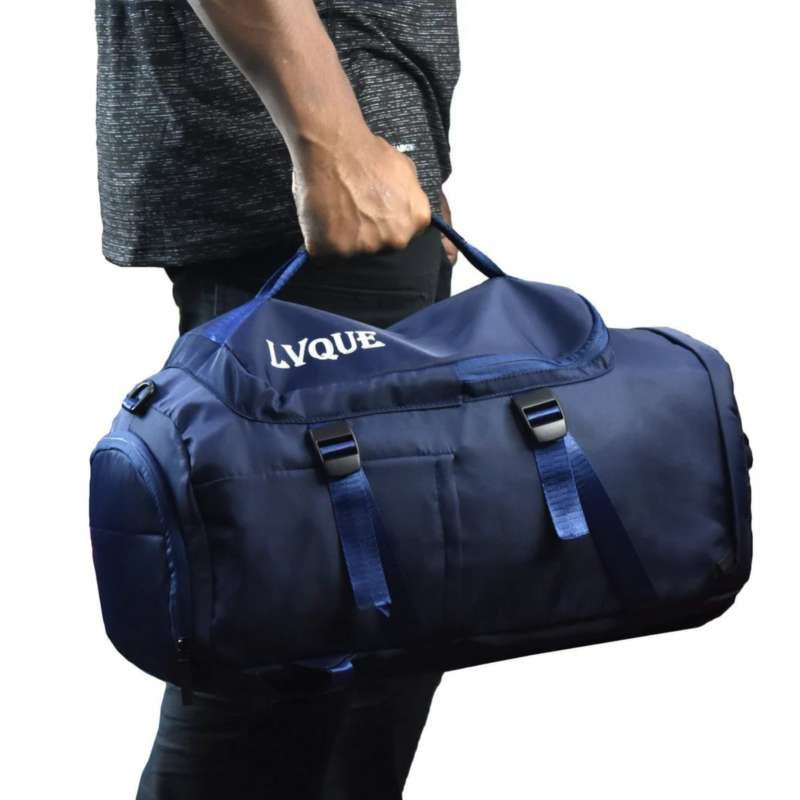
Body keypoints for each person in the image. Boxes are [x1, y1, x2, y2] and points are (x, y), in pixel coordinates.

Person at [95, 1, 460, 797]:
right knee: (288, 648)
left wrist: (405, 163)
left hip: (354, 182)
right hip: (308, 193)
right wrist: (333, 143)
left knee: (383, 640)